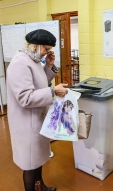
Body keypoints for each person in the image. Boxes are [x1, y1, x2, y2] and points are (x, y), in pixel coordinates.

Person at [6, 29, 68, 191]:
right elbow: (25, 97)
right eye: (45, 49)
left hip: (37, 119)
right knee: (30, 164)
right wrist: (53, 91)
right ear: (36, 46)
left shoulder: (32, 60)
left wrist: (48, 66)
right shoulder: (20, 62)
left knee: (37, 159)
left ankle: (41, 187)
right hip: (26, 122)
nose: (46, 52)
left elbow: (39, 84)